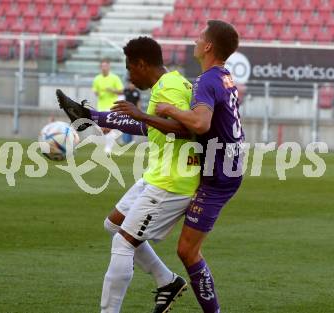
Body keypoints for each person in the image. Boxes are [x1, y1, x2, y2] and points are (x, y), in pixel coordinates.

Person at [103, 20, 243, 312]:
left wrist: (166, 110)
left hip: (215, 176)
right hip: (223, 168)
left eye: (200, 36)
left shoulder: (205, 80)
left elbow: (200, 124)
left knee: (183, 251)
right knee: (177, 248)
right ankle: (168, 282)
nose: (195, 38)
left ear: (208, 46)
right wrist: (104, 118)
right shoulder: (223, 77)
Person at [56, 37, 200, 313]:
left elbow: (186, 129)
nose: (130, 77)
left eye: (130, 69)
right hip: (160, 174)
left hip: (171, 182)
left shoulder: (168, 87)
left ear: (141, 64)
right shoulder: (175, 82)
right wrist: (93, 116)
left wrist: (141, 116)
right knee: (113, 226)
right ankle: (166, 280)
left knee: (123, 241)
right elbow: (150, 127)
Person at [92, 58, 124, 154]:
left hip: (111, 106)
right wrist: (97, 93)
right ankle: (112, 137)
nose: (104, 68)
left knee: (107, 127)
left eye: (106, 66)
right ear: (100, 67)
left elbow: (121, 91)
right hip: (101, 106)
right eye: (102, 66)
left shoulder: (115, 78)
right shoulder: (97, 79)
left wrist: (112, 90)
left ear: (109, 67)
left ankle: (108, 148)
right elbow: (95, 90)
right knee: (103, 128)